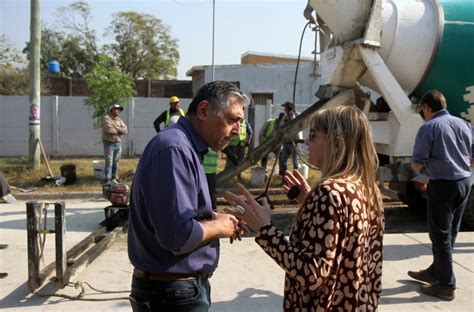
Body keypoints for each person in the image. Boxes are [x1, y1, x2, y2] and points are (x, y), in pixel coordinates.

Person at [224, 105, 384, 311]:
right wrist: (310, 202)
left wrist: (264, 229)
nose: (306, 141)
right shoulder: (368, 189)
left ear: (336, 144)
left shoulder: (329, 193)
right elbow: (344, 239)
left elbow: (312, 274)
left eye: (313, 135)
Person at [128, 81, 249, 311]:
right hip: (172, 294)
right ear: (203, 111)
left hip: (174, 291)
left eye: (240, 123)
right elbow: (177, 235)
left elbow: (172, 215)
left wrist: (216, 218)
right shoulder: (175, 149)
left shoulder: (185, 147)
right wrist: (220, 227)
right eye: (232, 120)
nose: (237, 130)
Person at [408, 90, 472, 301]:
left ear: (427, 108)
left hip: (443, 185)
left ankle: (446, 285)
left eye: (422, 110)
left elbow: (418, 163)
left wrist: (425, 171)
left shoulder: (429, 128)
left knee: (440, 235)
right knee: (450, 233)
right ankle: (436, 272)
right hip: (465, 182)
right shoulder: (463, 124)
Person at [102, 104, 128, 184]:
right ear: (112, 110)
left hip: (118, 143)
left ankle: (113, 178)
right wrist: (119, 130)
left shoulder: (119, 120)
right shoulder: (107, 118)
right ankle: (107, 179)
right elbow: (110, 131)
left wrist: (116, 128)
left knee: (116, 161)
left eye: (119, 109)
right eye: (116, 109)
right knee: (109, 161)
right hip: (109, 143)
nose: (118, 111)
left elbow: (125, 131)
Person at [278, 101, 303, 180]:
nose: (284, 109)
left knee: (295, 162)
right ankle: (285, 178)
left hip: (294, 142)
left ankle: (296, 179)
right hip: (286, 142)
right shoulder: (285, 117)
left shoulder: (297, 115)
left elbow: (298, 123)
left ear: (289, 108)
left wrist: (292, 116)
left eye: (285, 107)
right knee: (283, 161)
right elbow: (280, 126)